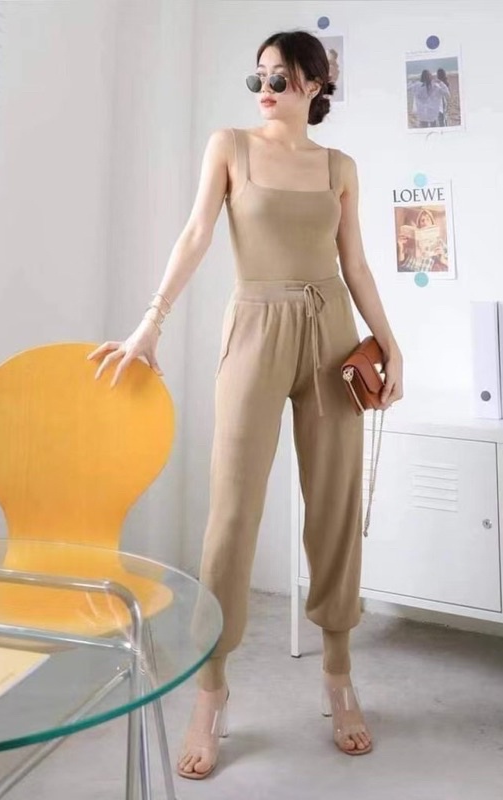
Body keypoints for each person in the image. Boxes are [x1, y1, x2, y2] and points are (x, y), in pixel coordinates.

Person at [89, 29, 404, 780]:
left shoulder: (339, 166)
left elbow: (356, 264)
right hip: (255, 328)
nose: (266, 89)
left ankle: (338, 677)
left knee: (334, 508)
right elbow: (197, 233)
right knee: (232, 511)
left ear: (315, 85)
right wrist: (151, 321)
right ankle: (211, 689)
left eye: (282, 78)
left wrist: (390, 344)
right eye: (258, 77)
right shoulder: (229, 146)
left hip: (331, 330)